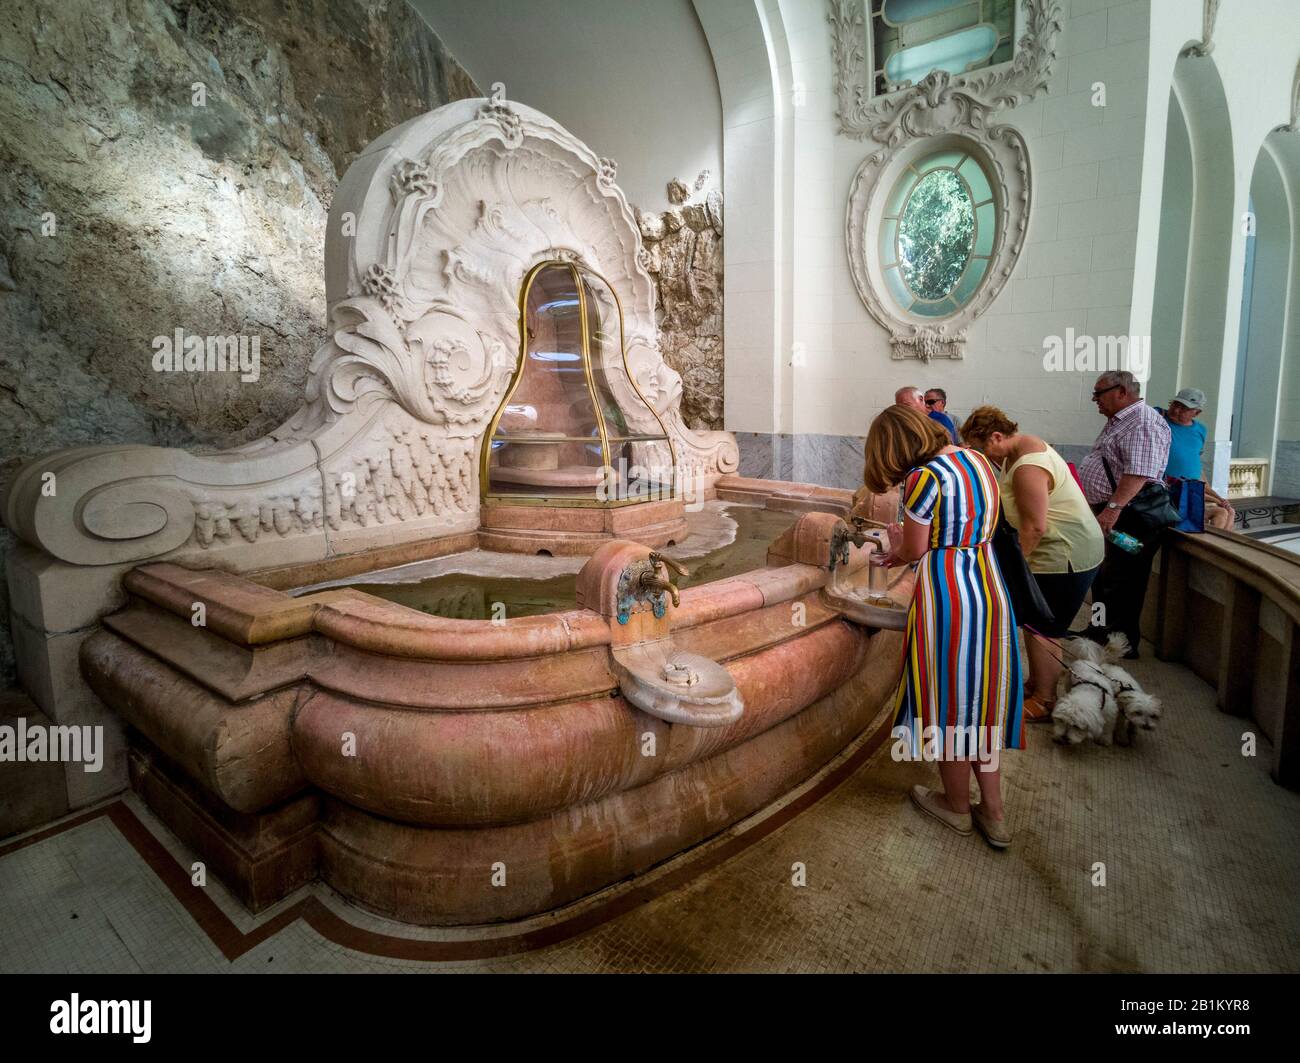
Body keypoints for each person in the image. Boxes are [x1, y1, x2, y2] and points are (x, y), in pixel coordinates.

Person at [864, 404, 1023, 848]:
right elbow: (968, 528)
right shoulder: (979, 460)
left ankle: (956, 808)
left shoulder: (923, 478)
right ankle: (994, 813)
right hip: (989, 589)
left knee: (950, 702)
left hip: (948, 598)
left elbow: (916, 549)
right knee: (983, 699)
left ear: (895, 448)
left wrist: (896, 544)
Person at [960, 406, 1105, 722]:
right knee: (1035, 622)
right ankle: (1039, 682)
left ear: (997, 436)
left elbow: (1034, 526)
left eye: (981, 447)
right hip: (1058, 552)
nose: (981, 454)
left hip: (1064, 556)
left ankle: (1045, 700)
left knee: (1044, 627)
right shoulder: (1020, 448)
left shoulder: (1027, 465)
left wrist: (1012, 571)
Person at [1075, 370, 1172, 657]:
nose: (1095, 400)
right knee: (1103, 578)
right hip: (1114, 512)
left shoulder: (1141, 421)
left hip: (1130, 515)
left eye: (1099, 393)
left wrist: (1111, 511)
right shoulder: (1120, 421)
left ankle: (1122, 643)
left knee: (1124, 581)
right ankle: (1098, 630)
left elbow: (1137, 474)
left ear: (1121, 392)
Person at [1155, 387, 1235, 530]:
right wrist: (1217, 499)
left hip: (1193, 489)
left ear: (1197, 413)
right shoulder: (1158, 417)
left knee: (1228, 512)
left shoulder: (1200, 430)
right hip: (1168, 488)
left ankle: (1216, 548)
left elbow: (1196, 464)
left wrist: (1220, 498)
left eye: (1184, 408)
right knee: (1218, 514)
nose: (1176, 410)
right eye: (1175, 404)